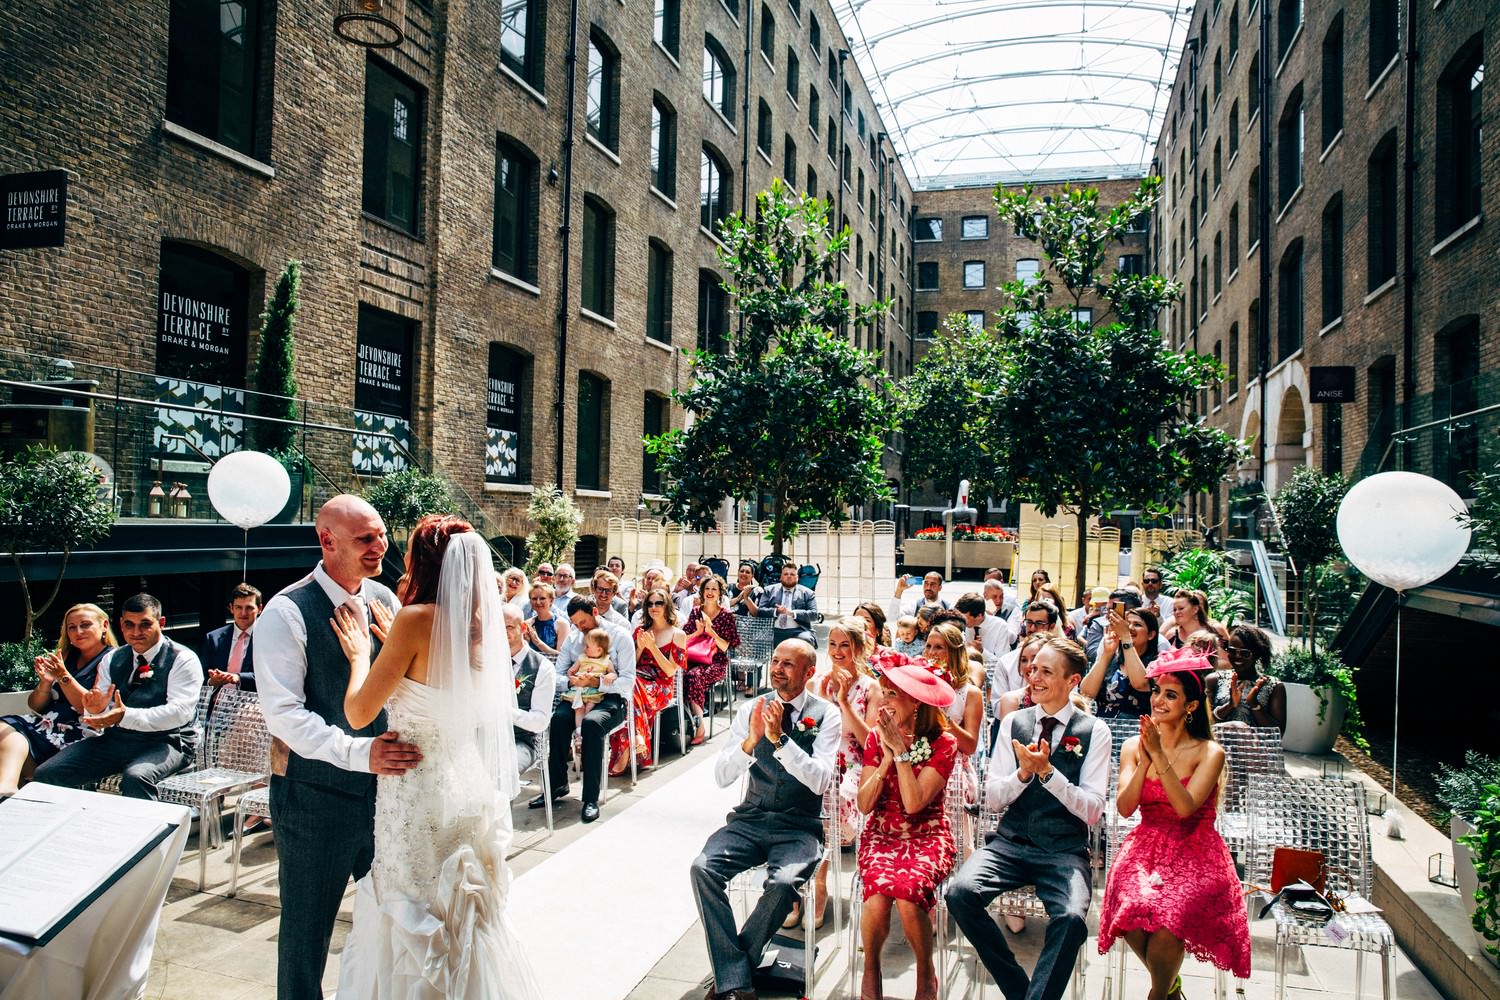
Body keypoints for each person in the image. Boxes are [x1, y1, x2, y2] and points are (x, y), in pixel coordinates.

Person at [328, 515, 543, 999]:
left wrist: (363, 654)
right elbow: (435, 678)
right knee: (459, 913)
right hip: (465, 781)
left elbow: (361, 712)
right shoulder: (479, 625)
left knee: (411, 903)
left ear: (423, 562)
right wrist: (395, 647)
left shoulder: (415, 619)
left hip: (417, 786)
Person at [251, 495, 421, 999]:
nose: (380, 546)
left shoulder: (387, 601)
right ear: (327, 541)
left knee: (390, 917)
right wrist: (359, 754)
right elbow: (284, 716)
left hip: (387, 796)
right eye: (365, 538)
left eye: (382, 534)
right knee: (306, 934)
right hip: (314, 799)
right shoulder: (286, 611)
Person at [946, 637, 1110, 1000]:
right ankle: (1020, 991)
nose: (1033, 677)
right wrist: (1022, 775)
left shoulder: (1094, 731)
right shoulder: (1013, 723)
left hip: (1064, 850)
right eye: (1032, 668)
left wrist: (1050, 774)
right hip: (1009, 844)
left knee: (1070, 919)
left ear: (1072, 681)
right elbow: (990, 799)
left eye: (1046, 671)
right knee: (959, 894)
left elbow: (1094, 809)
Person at [689, 639, 841, 1000]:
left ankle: (733, 973)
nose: (777, 669)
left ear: (808, 672)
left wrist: (782, 741)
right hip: (750, 819)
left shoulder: (827, 715)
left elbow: (821, 780)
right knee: (702, 869)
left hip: (799, 825)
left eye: (788, 664)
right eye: (775, 661)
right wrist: (751, 742)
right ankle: (737, 977)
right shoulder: (750, 709)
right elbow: (723, 777)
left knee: (784, 881)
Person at [1098, 647, 1252, 997]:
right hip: (1146, 844)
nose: (1159, 700)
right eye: (1156, 692)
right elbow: (1124, 808)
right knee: (1130, 911)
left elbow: (1184, 808)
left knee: (1170, 919)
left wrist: (1160, 758)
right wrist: (1145, 759)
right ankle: (1169, 988)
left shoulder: (1209, 752)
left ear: (1191, 706)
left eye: (1171, 695)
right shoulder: (1133, 746)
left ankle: (1158, 994)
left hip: (1195, 847)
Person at [34, 593, 203, 801]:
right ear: (121, 625)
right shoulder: (112, 658)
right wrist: (95, 709)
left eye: (145, 624)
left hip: (169, 742)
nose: (136, 632)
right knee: (47, 774)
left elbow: (179, 714)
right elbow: (101, 707)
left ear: (161, 622)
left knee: (136, 777)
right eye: (129, 625)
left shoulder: (183, 659)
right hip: (117, 739)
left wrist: (123, 716)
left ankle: (146, 833)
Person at [856, 659, 959, 1000]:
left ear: (916, 702)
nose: (883, 701)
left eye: (893, 694)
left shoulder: (943, 743)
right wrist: (886, 755)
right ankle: (871, 970)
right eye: (882, 692)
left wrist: (901, 753)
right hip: (882, 834)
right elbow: (864, 804)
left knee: (907, 893)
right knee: (876, 898)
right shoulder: (875, 737)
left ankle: (925, 974)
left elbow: (915, 804)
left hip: (927, 835)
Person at [806, 617, 883, 928]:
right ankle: (811, 885)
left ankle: (830, 886)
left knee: (838, 793)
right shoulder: (815, 684)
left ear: (859, 649)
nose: (837, 652)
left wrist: (841, 703)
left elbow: (871, 742)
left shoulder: (871, 687)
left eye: (845, 646)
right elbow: (806, 732)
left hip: (854, 763)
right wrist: (824, 700)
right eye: (833, 645)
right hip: (821, 756)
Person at [0, 603, 116, 794]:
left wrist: (63, 676)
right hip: (47, 725)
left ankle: (12, 792)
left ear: (104, 626)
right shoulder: (67, 656)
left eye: (85, 625)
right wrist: (45, 683)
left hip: (82, 732)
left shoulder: (112, 660)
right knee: (5, 728)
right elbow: (35, 705)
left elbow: (87, 709)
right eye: (72, 627)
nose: (78, 631)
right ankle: (8, 789)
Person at [541, 595, 634, 822]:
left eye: (583, 622)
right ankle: (557, 784)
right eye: (575, 623)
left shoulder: (620, 636)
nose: (579, 628)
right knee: (558, 720)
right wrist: (573, 682)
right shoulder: (573, 641)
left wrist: (597, 682)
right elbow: (558, 675)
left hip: (611, 699)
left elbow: (628, 681)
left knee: (592, 725)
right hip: (577, 696)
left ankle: (590, 797)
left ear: (594, 613)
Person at [612, 587, 686, 771]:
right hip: (638, 681)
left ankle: (628, 747)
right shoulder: (640, 630)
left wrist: (652, 647)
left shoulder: (678, 634)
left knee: (630, 686)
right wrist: (639, 648)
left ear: (667, 606)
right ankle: (634, 740)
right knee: (627, 686)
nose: (654, 607)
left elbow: (670, 671)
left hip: (661, 685)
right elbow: (630, 665)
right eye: (650, 604)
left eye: (658, 603)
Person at [684, 574, 739, 746]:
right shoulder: (695, 612)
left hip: (716, 662)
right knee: (679, 675)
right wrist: (698, 633)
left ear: (720, 593)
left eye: (714, 589)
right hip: (693, 658)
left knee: (694, 677)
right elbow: (683, 639)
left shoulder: (726, 616)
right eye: (707, 588)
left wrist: (711, 632)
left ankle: (699, 724)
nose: (710, 592)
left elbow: (725, 648)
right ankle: (684, 720)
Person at [503, 604, 555, 774]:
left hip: (522, 741)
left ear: (523, 627)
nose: (503, 633)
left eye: (509, 627)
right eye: (499, 627)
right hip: (486, 737)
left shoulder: (542, 667)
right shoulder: (486, 662)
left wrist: (505, 713)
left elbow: (540, 721)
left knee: (503, 772)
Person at [1205, 623, 1285, 732]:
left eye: (1245, 653)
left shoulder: (1274, 686)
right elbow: (1205, 724)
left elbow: (1278, 733)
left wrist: (1254, 705)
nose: (1237, 656)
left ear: (1257, 654)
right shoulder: (1213, 680)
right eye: (1232, 651)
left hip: (1256, 748)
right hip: (1220, 747)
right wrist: (1230, 705)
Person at [1082, 607, 1159, 719]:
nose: (1130, 628)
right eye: (1127, 624)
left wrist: (1126, 637)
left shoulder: (1156, 662)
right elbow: (1086, 693)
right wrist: (1106, 655)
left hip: (1136, 730)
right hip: (1104, 728)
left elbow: (1140, 684)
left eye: (1137, 625)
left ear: (1151, 635)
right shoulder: (1113, 658)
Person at [923, 624, 984, 759]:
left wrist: (937, 712)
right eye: (928, 646)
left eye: (939, 647)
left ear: (954, 652)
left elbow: (970, 746)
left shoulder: (970, 693)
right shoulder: (918, 685)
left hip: (953, 766)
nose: (931, 652)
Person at [203, 582, 261, 691]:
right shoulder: (213, 638)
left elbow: (270, 676)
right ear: (231, 608)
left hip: (253, 704)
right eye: (238, 607)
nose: (243, 613)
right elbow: (201, 676)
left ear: (259, 609)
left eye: (249, 608)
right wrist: (212, 681)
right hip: (218, 702)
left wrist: (239, 678)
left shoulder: (268, 639)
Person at [564, 629, 617, 733]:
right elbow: (572, 670)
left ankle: (583, 731)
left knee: (589, 708)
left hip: (593, 691)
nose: (584, 649)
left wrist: (610, 676)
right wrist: (571, 674)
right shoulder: (582, 658)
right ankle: (578, 732)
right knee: (578, 709)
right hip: (579, 689)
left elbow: (614, 673)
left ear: (599, 650)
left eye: (587, 646)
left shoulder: (606, 661)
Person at [757, 562, 819, 647]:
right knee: (759, 639)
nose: (789, 576)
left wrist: (792, 613)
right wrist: (776, 611)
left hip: (797, 631)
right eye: (786, 574)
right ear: (781, 577)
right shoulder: (769, 590)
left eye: (792, 574)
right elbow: (760, 611)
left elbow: (814, 614)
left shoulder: (808, 593)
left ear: (797, 578)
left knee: (806, 640)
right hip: (773, 630)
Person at [525, 581, 569, 655]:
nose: (538, 602)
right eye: (534, 599)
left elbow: (562, 657)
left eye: (542, 598)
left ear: (551, 601)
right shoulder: (527, 624)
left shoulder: (561, 624)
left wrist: (538, 642)